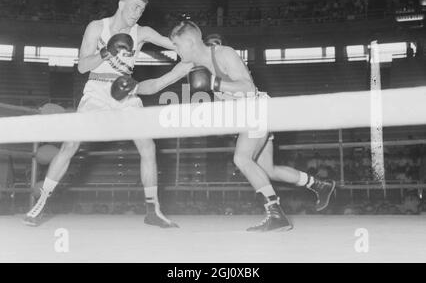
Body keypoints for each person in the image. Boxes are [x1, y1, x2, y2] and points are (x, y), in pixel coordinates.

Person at [112, 21, 336, 232]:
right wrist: (132, 88)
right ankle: (319, 185)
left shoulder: (224, 54)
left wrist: (213, 82)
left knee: (242, 158)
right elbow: (158, 84)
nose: (176, 51)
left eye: (178, 46)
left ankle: (276, 215)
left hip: (256, 108)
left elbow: (248, 87)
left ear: (190, 43)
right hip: (246, 115)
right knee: (267, 170)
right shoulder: (188, 64)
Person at [23, 0, 179, 229]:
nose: (137, 13)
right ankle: (41, 203)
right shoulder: (97, 27)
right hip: (97, 89)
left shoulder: (142, 32)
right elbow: (82, 67)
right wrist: (106, 51)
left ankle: (152, 210)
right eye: (134, 7)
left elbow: (174, 45)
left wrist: (199, 48)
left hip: (126, 89)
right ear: (121, 3)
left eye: (142, 10)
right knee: (71, 144)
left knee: (148, 145)